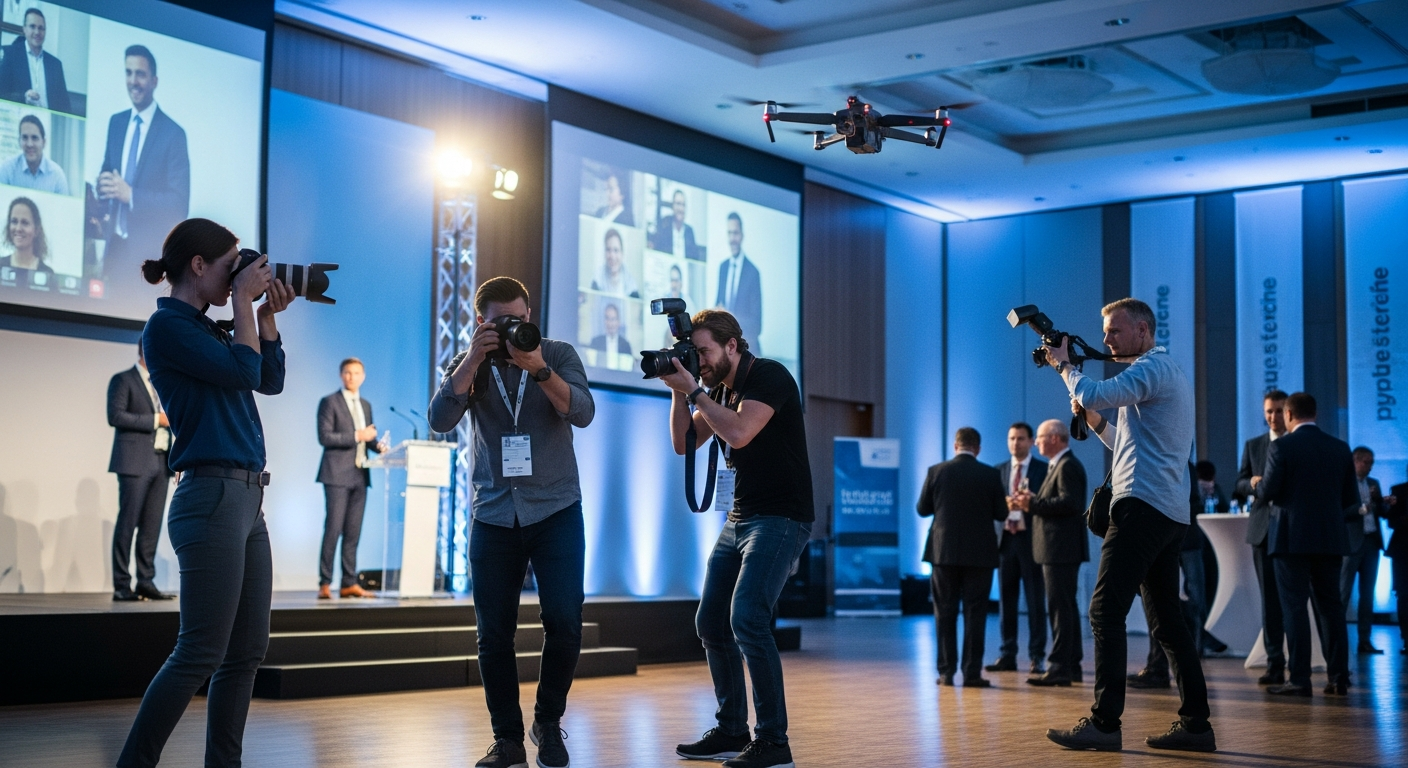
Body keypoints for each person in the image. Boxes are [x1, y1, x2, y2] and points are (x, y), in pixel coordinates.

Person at [117, 218, 293, 767]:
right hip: (211, 496)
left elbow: (269, 379)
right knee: (199, 653)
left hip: (246, 502)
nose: (237, 276)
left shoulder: (210, 326)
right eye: (229, 266)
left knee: (245, 655)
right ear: (198, 266)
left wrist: (263, 317)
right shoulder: (167, 328)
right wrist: (242, 303)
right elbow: (244, 373)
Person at [428, 276, 594, 768]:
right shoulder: (467, 363)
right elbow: (439, 419)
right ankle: (508, 740)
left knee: (564, 622)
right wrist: (474, 359)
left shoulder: (557, 353)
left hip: (556, 508)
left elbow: (582, 412)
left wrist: (539, 368)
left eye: (521, 318)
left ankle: (547, 721)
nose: (514, 327)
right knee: (492, 634)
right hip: (494, 511)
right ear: (482, 321)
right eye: (503, 321)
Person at [1043, 298, 1214, 754]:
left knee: (1104, 611)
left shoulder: (1152, 368)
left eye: (1114, 331)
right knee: (1168, 624)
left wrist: (1064, 367)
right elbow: (1124, 441)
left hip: (1143, 509)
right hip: (1166, 512)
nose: (1106, 340)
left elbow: (1096, 392)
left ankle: (1104, 722)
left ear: (1142, 329)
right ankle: (1197, 725)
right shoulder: (1163, 375)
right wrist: (1094, 419)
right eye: (1105, 332)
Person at [660, 310, 812, 768]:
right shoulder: (718, 389)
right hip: (741, 518)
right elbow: (684, 444)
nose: (699, 361)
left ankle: (773, 741)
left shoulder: (770, 376)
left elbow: (741, 433)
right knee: (710, 623)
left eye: (704, 352)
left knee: (746, 617)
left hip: (781, 518)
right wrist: (677, 393)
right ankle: (731, 729)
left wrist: (697, 392)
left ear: (732, 346)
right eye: (695, 353)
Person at [1256, 392, 1357, 695]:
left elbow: (1269, 491)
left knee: (1294, 609)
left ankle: (1299, 679)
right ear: (1316, 414)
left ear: (1288, 415)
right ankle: (1338, 677)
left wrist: (1257, 484)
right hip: (1329, 538)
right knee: (1332, 608)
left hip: (1291, 539)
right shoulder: (1340, 448)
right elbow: (1350, 499)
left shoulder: (1281, 446)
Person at [917, 427, 1006, 689]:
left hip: (943, 553)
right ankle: (972, 674)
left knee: (944, 612)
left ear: (956, 446)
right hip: (980, 555)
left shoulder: (937, 471)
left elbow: (922, 509)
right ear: (977, 448)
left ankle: (946, 673)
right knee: (975, 613)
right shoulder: (990, 474)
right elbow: (1001, 513)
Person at [98, 45, 189, 269]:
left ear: (154, 81)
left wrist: (131, 195)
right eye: (128, 73)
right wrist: (102, 185)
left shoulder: (173, 134)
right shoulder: (116, 123)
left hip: (148, 260)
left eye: (140, 74)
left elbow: (178, 204)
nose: (133, 80)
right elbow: (108, 171)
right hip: (114, 250)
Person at [1019, 419, 1088, 686]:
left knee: (1060, 608)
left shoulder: (1067, 465)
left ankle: (1060, 666)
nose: (1035, 442)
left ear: (1055, 439)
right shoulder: (1059, 464)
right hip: (1058, 548)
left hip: (1060, 549)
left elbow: (1070, 503)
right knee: (1064, 607)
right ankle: (1070, 665)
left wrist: (1033, 503)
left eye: (1039, 437)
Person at [106, 344, 175, 602]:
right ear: (144, 351)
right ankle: (121, 585)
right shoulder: (123, 380)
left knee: (151, 525)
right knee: (128, 523)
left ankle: (145, 581)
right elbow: (115, 416)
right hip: (134, 462)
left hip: (161, 461)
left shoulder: (163, 383)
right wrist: (156, 420)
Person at [316, 358, 388, 600]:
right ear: (341, 375)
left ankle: (348, 582)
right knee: (333, 529)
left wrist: (379, 446)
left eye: (356, 373)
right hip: (336, 475)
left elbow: (367, 440)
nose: (351, 377)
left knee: (353, 532)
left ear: (363, 376)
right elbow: (325, 437)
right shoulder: (329, 402)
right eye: (347, 372)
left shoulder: (365, 405)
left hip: (360, 475)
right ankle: (325, 582)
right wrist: (359, 434)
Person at [986, 422, 1048, 675]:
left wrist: (1029, 503)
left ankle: (1037, 656)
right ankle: (1007, 654)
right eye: (1011, 438)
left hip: (1030, 539)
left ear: (1031, 441)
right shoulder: (997, 471)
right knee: (1006, 602)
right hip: (1005, 541)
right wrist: (1003, 503)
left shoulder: (1042, 470)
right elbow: (990, 505)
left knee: (1035, 601)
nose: (1015, 443)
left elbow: (1046, 503)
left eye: (1021, 439)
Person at [1235, 389, 1288, 684]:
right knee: (1269, 601)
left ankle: (1298, 663)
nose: (1273, 417)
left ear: (1288, 412)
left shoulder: (1295, 443)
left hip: (1291, 530)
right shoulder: (1254, 445)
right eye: (1269, 411)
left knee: (1290, 600)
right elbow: (1239, 481)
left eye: (1278, 411)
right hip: (1262, 530)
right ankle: (1275, 663)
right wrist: (1252, 484)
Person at [1341, 446, 1389, 654]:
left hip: (1371, 543)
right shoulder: (1344, 483)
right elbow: (1340, 511)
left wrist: (1384, 503)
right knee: (1342, 593)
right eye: (1367, 462)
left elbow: (1382, 513)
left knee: (1367, 594)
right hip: (1351, 545)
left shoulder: (1373, 483)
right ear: (1356, 461)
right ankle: (1337, 641)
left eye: (1372, 463)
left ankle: (1364, 640)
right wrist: (1363, 507)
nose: (1370, 467)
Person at [0, 8, 72, 113]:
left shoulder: (55, 64)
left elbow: (65, 106)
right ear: (24, 29)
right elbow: (2, 94)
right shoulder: (9, 54)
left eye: (41, 28)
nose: (37, 32)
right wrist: (23, 97)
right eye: (32, 26)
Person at [715, 212, 762, 348]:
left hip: (746, 348)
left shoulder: (753, 273)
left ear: (742, 235)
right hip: (724, 348)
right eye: (729, 233)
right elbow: (718, 304)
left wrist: (730, 317)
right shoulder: (723, 267)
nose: (732, 238)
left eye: (735, 233)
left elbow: (757, 324)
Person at [0, 115, 70, 194]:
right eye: (25, 138)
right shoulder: (7, 169)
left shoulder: (57, 176)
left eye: (34, 138)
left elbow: (61, 206)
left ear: (44, 142)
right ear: (19, 141)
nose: (29, 144)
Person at [0, 196, 53, 284]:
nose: (18, 228)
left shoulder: (47, 273)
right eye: (14, 221)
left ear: (36, 230)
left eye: (25, 223)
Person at [1384, 472, 1406, 654]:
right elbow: (1391, 520)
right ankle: (1406, 637)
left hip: (1402, 549)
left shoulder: (1399, 490)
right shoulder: (1399, 491)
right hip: (1403, 550)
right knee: (1404, 594)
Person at [589, 228, 640, 298]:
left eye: (616, 250)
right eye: (608, 250)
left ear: (622, 253)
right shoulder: (597, 280)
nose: (612, 256)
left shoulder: (631, 284)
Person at [651, 188, 699, 260]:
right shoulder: (664, 229)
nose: (681, 208)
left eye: (683, 205)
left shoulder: (689, 231)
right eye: (678, 204)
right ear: (672, 206)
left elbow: (695, 258)